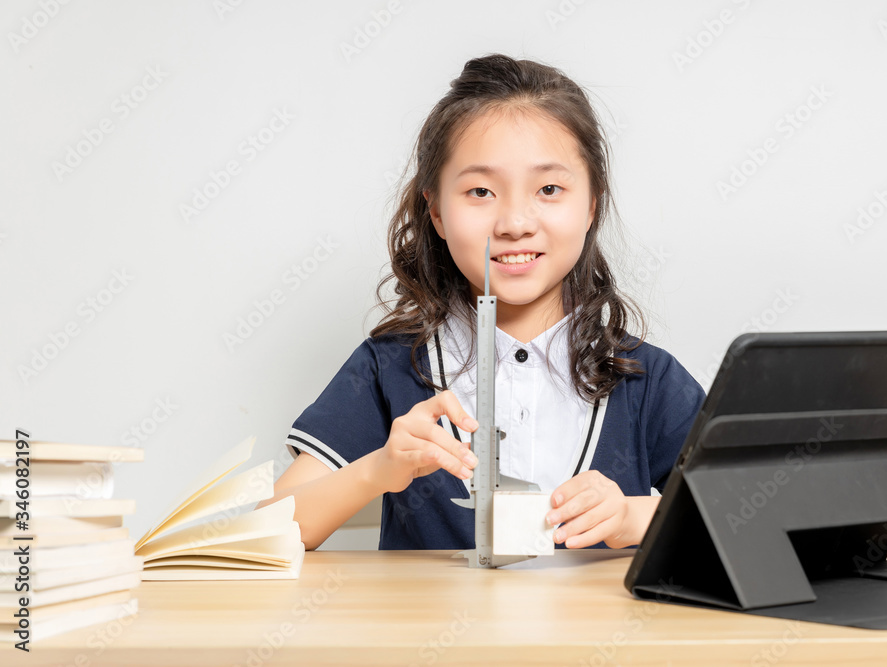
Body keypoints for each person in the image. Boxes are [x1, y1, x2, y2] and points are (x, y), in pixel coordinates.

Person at [257, 53, 706, 551]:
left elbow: (748, 512)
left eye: (549, 188)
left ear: (592, 204)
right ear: (436, 212)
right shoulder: (389, 368)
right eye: (480, 191)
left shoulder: (645, 379)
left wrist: (635, 515)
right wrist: (378, 471)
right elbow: (261, 536)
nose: (515, 222)